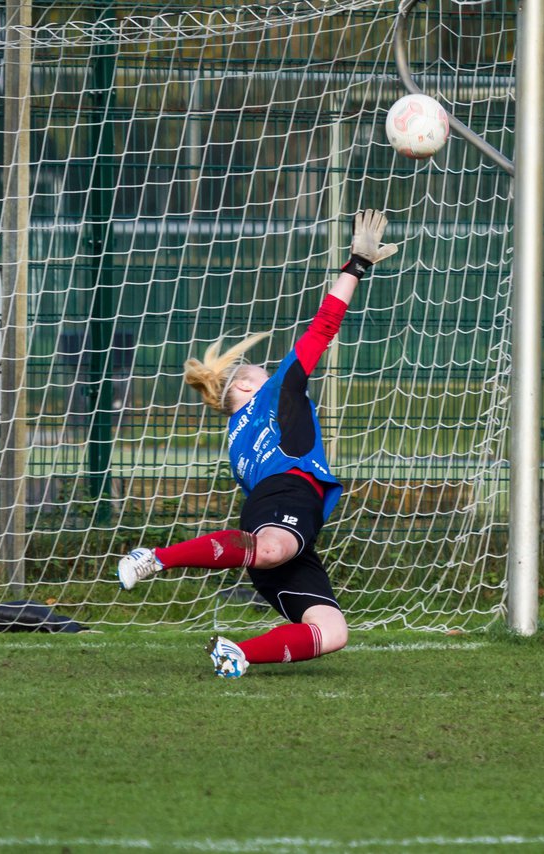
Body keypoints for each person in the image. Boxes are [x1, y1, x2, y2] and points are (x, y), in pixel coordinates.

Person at [115, 209, 399, 678]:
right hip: (284, 510)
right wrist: (356, 266)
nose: (270, 369)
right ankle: (155, 559)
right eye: (256, 370)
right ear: (246, 387)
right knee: (268, 549)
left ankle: (239, 653)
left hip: (282, 527)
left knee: (332, 630)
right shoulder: (274, 392)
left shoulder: (236, 437)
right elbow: (324, 325)